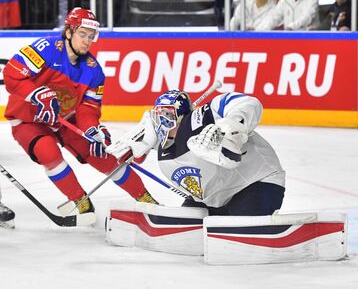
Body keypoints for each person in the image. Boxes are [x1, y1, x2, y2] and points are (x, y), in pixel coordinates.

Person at [2, 7, 158, 217]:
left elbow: (88, 107)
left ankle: (144, 197)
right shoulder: (46, 48)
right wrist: (36, 94)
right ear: (69, 32)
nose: (87, 41)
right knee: (48, 152)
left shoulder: (94, 71)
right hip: (29, 120)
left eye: (91, 36)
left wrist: (93, 129)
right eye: (82, 34)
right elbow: (11, 74)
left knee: (104, 156)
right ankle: (79, 200)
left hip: (66, 119)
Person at [106, 90, 286, 217]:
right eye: (159, 116)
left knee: (240, 230)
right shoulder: (161, 144)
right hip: (214, 199)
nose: (162, 122)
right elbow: (140, 153)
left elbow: (247, 103)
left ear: (182, 116)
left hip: (257, 183)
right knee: (184, 227)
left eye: (168, 115)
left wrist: (230, 127)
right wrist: (133, 149)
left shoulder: (202, 118)